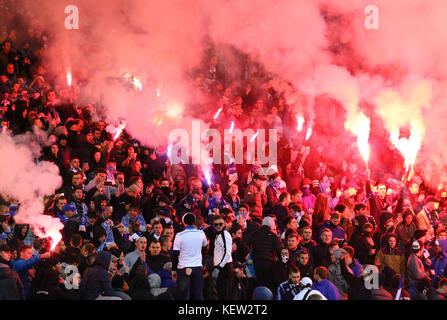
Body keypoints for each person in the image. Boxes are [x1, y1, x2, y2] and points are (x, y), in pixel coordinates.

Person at [172, 212, 209, 300]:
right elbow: (205, 247)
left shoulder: (179, 235)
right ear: (194, 222)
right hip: (197, 267)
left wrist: (173, 269)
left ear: (183, 222)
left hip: (183, 268)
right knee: (197, 295)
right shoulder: (201, 233)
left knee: (183, 295)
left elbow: (175, 254)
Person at [246, 216, 283, 293]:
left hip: (256, 262)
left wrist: (247, 254)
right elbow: (280, 250)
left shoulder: (255, 234)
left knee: (259, 283)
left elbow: (244, 243)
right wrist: (284, 262)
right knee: (268, 284)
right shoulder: (273, 236)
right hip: (269, 263)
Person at [211, 215, 233, 300]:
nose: (218, 226)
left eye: (220, 224)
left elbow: (227, 253)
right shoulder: (219, 235)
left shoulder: (224, 234)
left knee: (224, 294)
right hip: (222, 267)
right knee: (221, 293)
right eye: (216, 224)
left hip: (224, 267)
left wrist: (219, 267)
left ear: (224, 224)